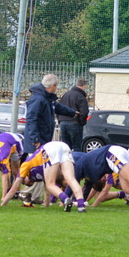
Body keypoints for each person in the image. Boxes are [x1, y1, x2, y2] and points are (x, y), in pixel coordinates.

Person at [22, 74, 79, 204]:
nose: (56, 88)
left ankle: (34, 196)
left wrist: (72, 113)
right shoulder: (38, 99)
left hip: (44, 140)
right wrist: (35, 138)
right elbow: (31, 119)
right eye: (56, 86)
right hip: (36, 141)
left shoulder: (47, 98)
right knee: (36, 167)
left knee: (42, 167)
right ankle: (27, 193)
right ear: (53, 86)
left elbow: (57, 107)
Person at [1, 141, 87, 212]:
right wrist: (46, 205)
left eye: (25, 182)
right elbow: (46, 190)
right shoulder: (39, 174)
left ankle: (65, 199)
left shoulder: (25, 166)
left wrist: (3, 204)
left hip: (50, 149)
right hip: (63, 146)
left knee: (51, 184)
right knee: (70, 179)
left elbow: (14, 188)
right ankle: (81, 206)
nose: (27, 183)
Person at [72, 145, 129, 212]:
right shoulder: (99, 171)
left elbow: (103, 192)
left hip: (114, 153)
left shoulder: (97, 171)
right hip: (120, 152)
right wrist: (82, 201)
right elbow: (91, 186)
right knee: (126, 188)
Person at [57, 78, 89, 151]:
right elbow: (84, 112)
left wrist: (60, 120)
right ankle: (76, 162)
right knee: (77, 147)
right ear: (83, 86)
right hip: (75, 123)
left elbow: (58, 108)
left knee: (65, 148)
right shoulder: (81, 96)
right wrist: (82, 122)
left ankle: (66, 162)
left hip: (63, 123)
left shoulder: (65, 95)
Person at [0, 132, 24, 201]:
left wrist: (4, 197)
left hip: (15, 142)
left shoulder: (3, 158)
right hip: (4, 140)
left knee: (15, 170)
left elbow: (4, 178)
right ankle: (8, 187)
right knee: (5, 170)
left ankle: (17, 190)